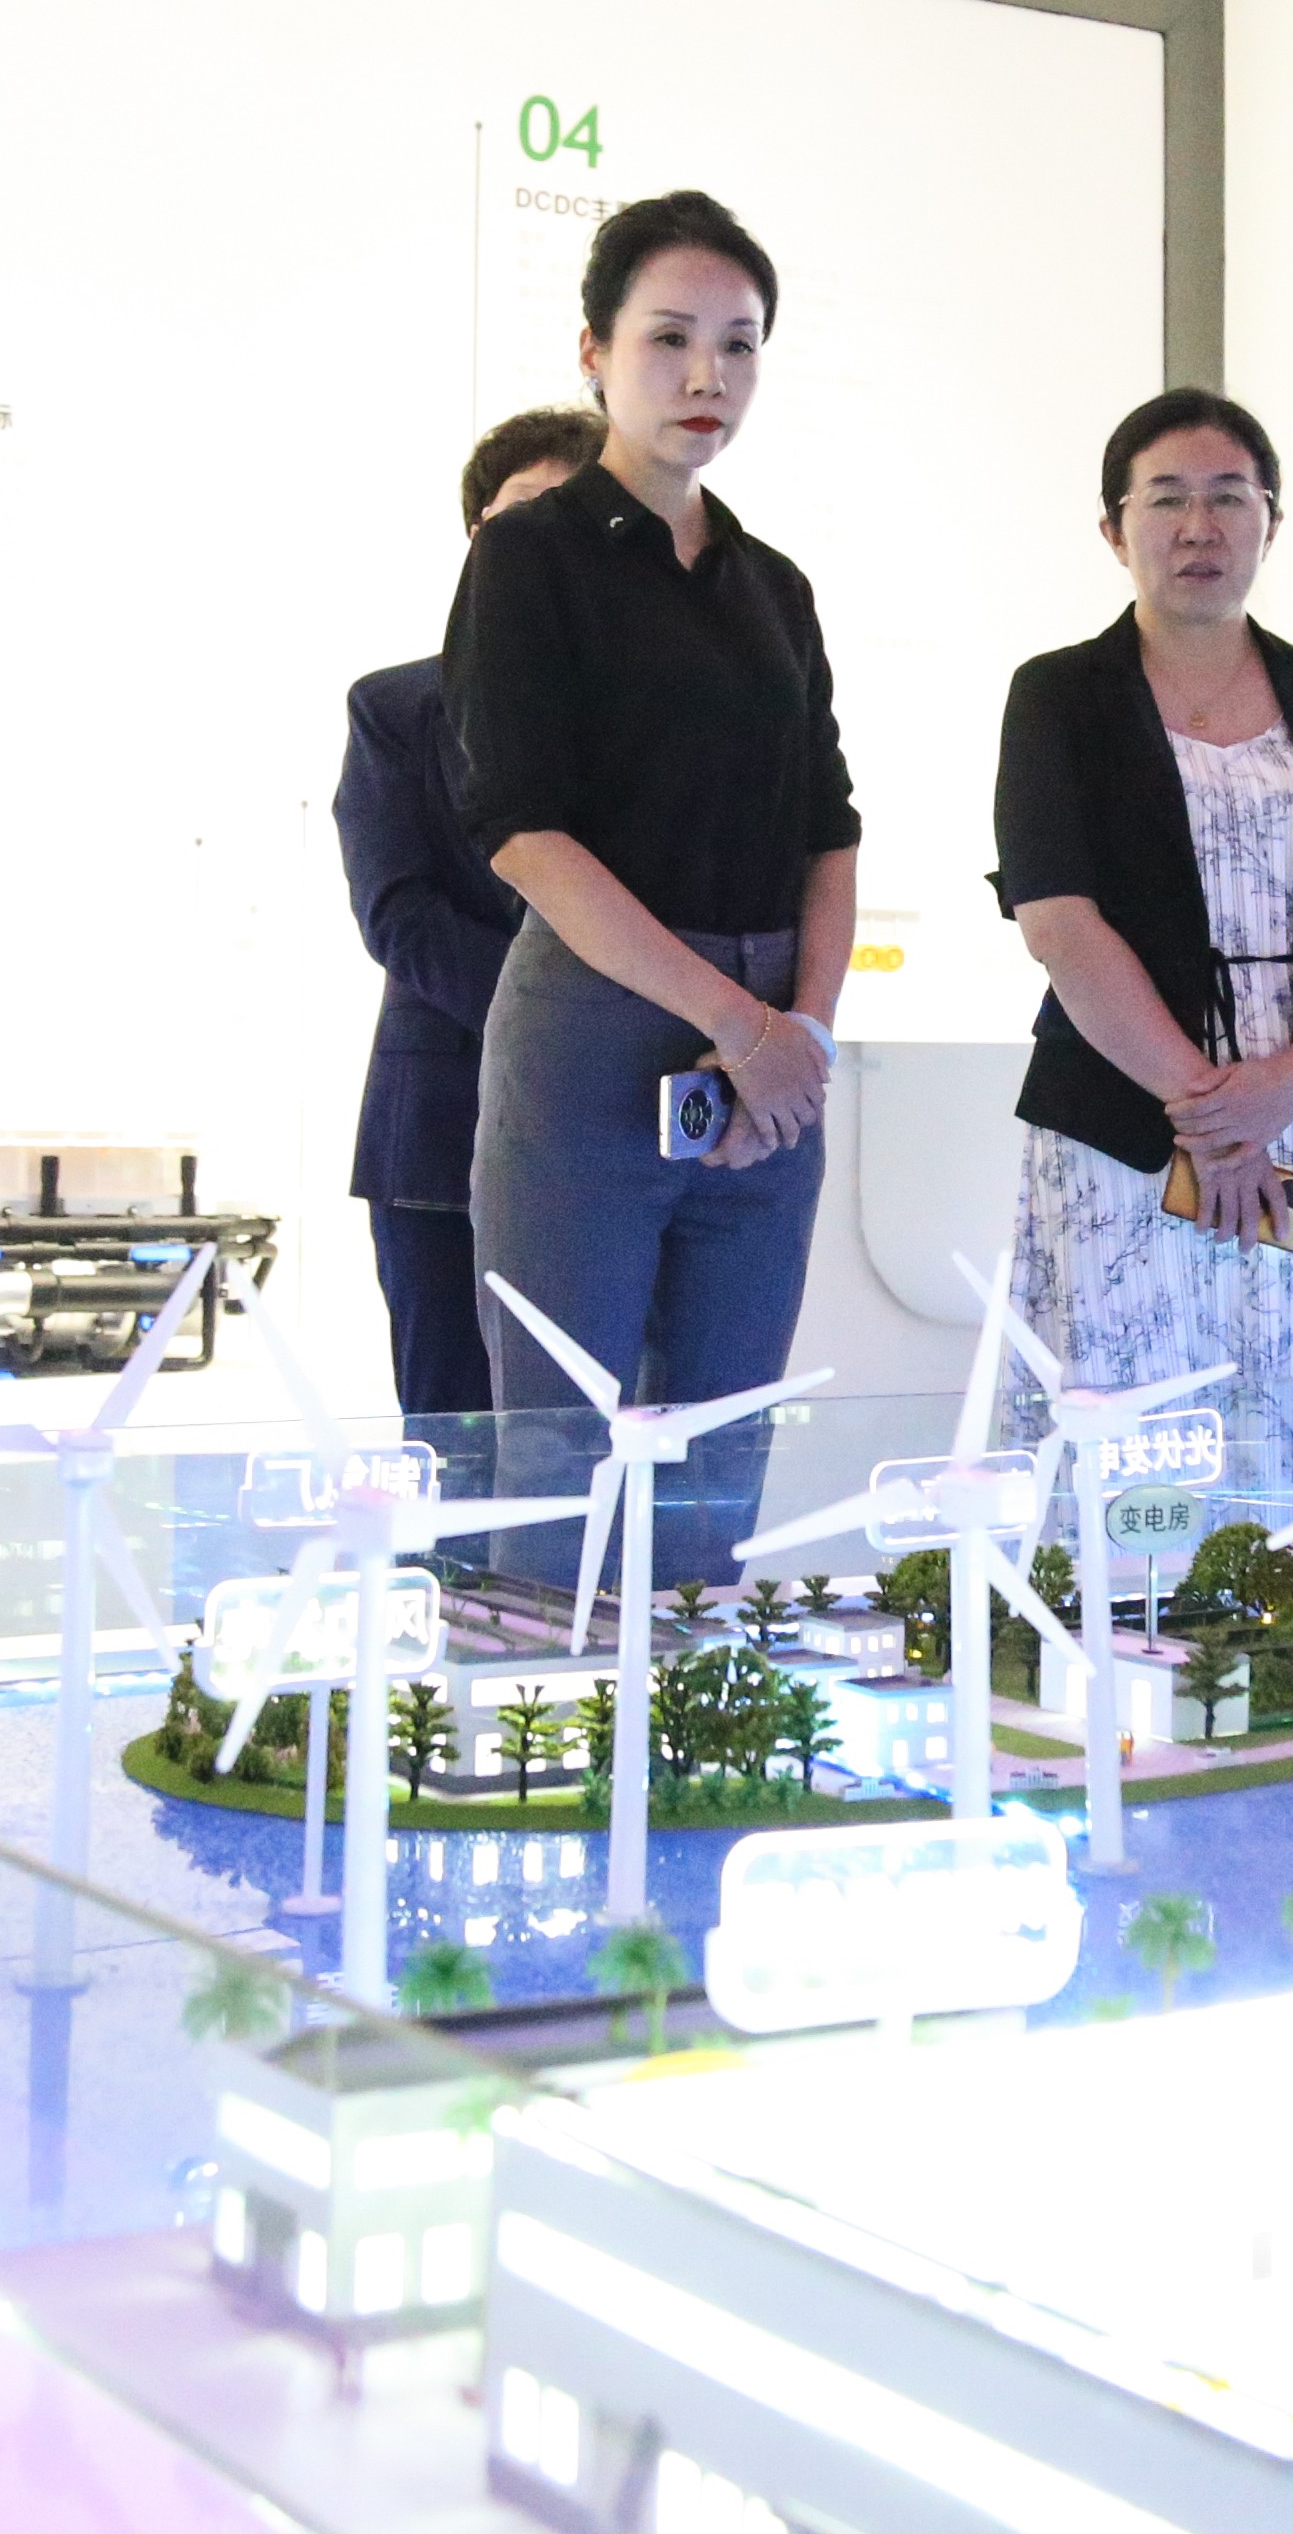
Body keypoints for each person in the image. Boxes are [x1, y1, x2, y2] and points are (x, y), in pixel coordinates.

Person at [446, 193, 856, 1564]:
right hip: (597, 1020)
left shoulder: (773, 585)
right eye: (669, 338)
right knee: (560, 1451)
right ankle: (550, 1703)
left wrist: (800, 1034)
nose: (705, 376)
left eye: (737, 345)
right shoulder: (530, 556)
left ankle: (699, 1704)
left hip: (771, 1040)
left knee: (722, 1453)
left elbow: (829, 829)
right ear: (594, 352)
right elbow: (524, 833)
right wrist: (737, 1025)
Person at [992, 389, 1293, 1509]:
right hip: (1125, 1126)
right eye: (1166, 500)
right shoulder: (1057, 698)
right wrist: (1211, 1116)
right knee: (1130, 1450)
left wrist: (1280, 1091)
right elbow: (1059, 923)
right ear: (1113, 528)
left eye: (1229, 498)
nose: (1199, 527)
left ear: (1270, 521)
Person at [333, 408, 600, 1416]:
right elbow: (398, 916)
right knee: (454, 1433)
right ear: (478, 534)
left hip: (615, 1136)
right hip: (443, 1130)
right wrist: (570, 1023)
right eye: (523, 514)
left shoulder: (656, 724)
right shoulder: (395, 708)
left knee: (603, 1438)